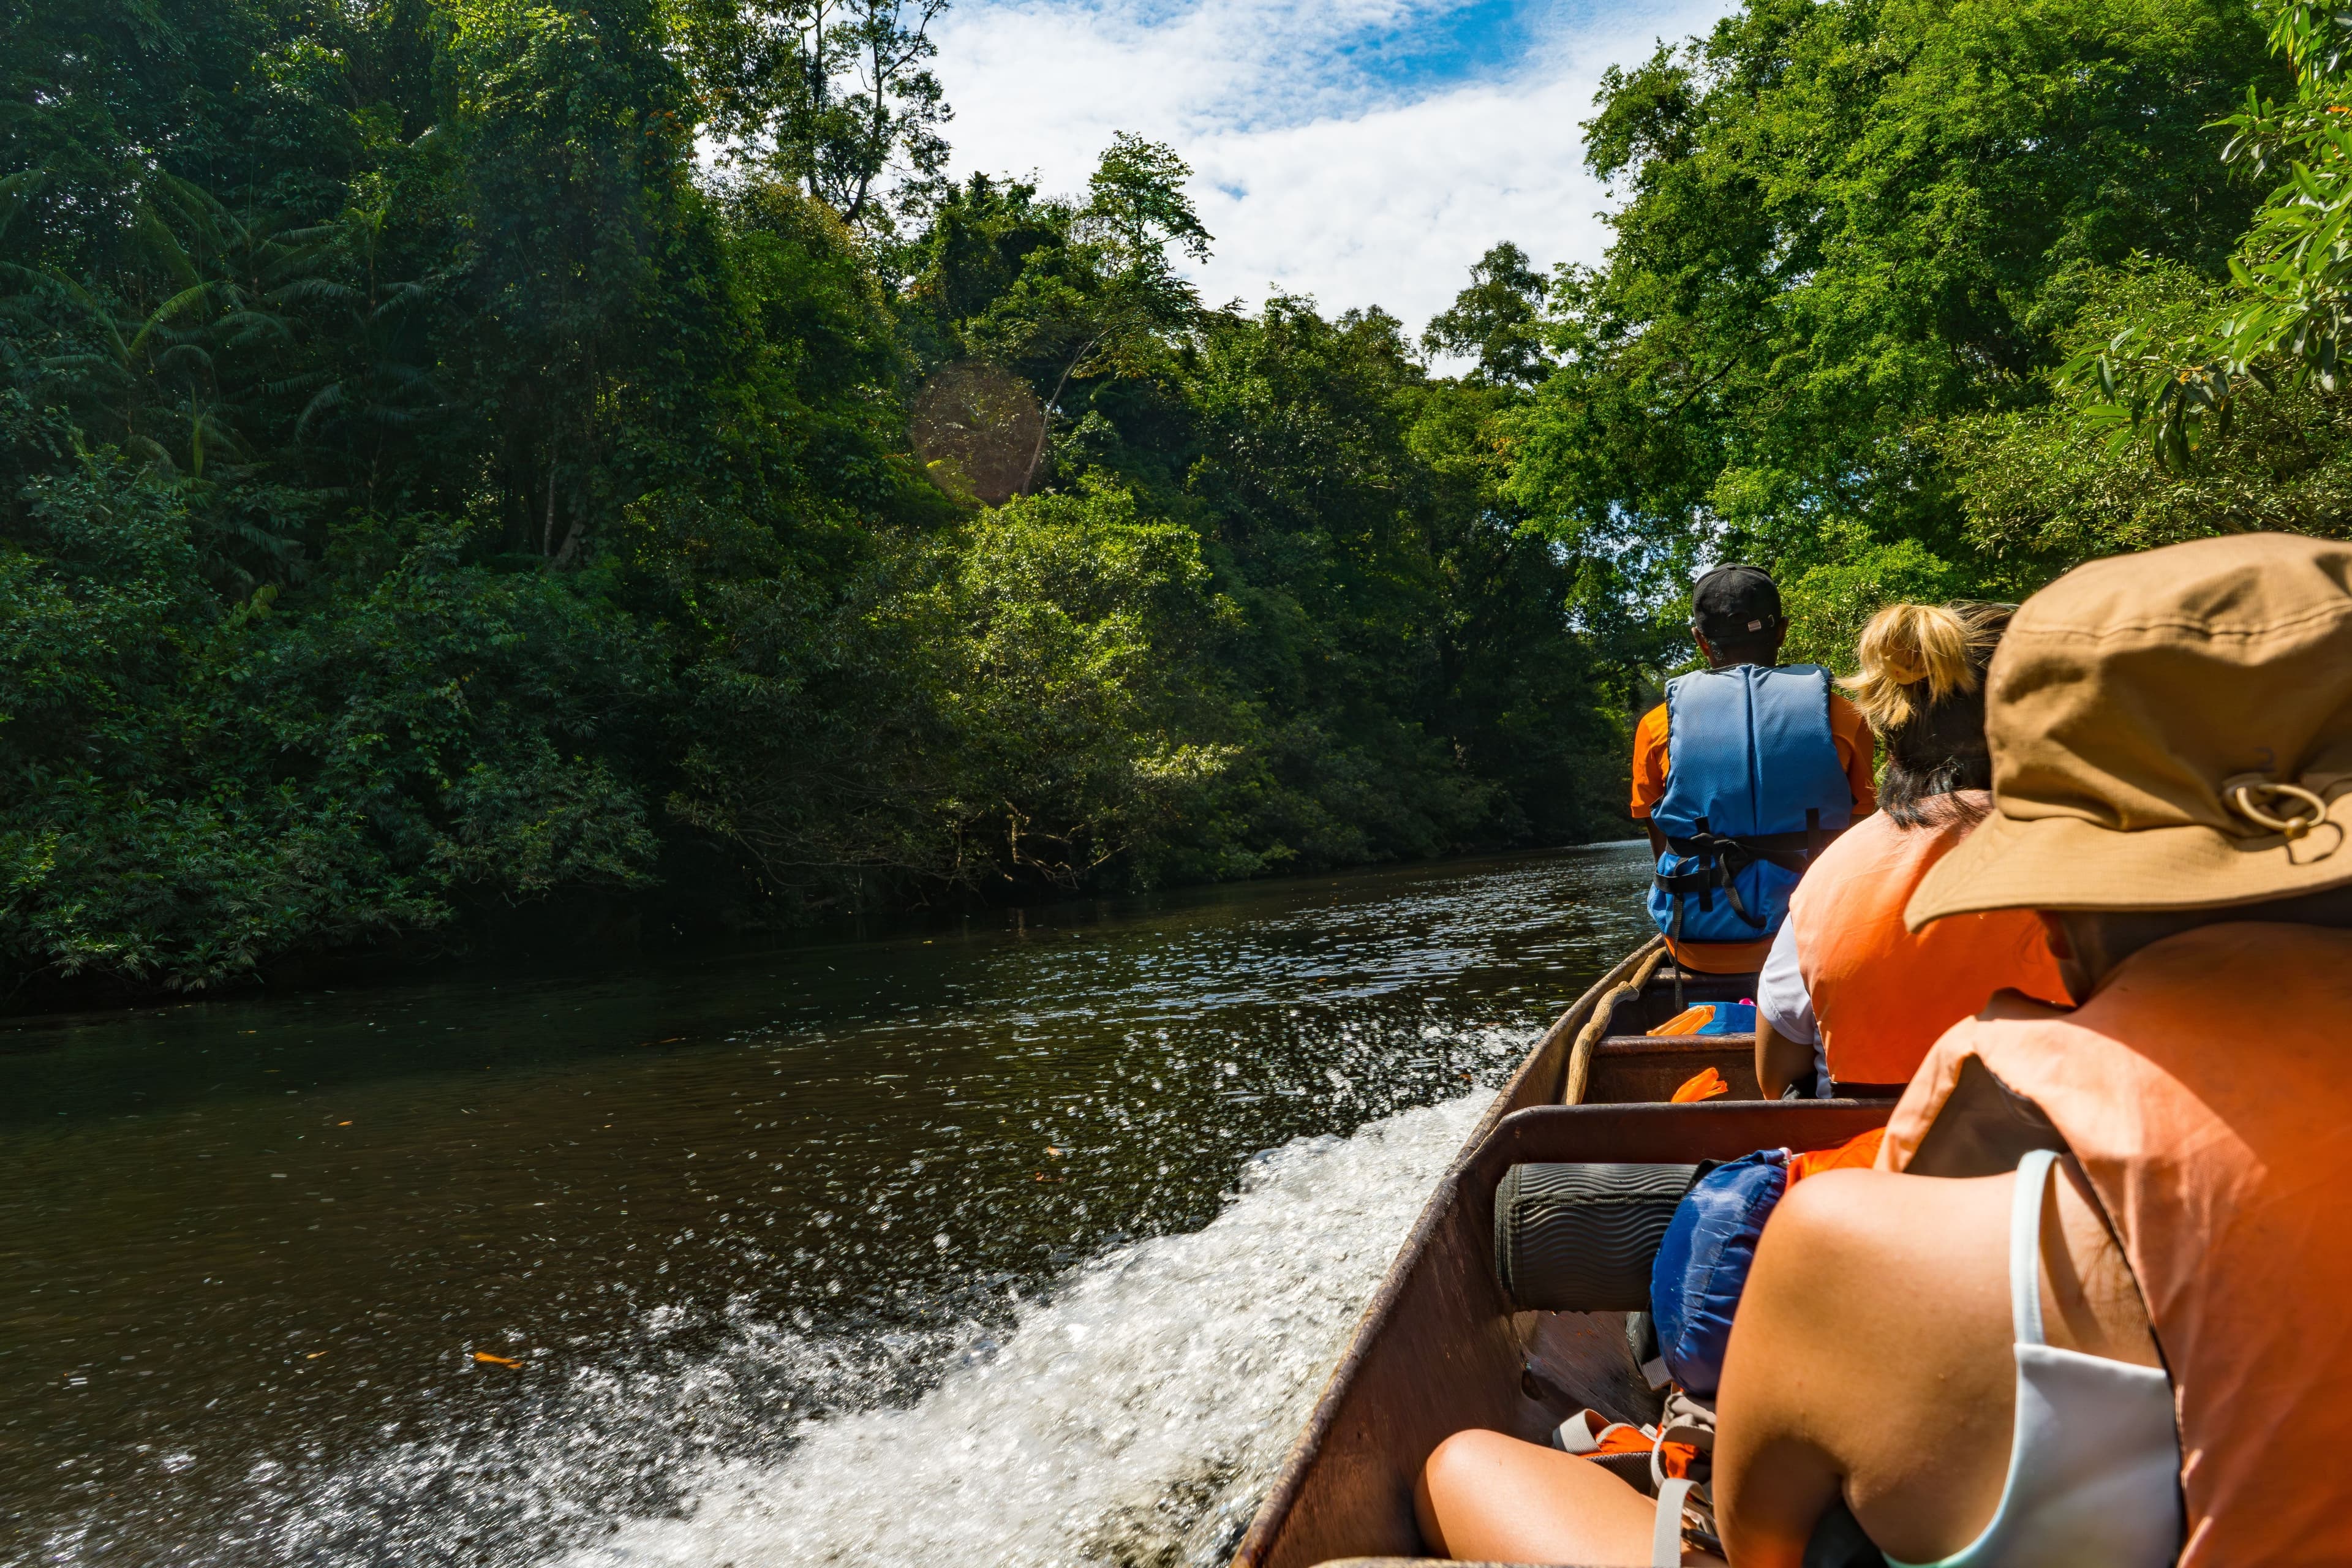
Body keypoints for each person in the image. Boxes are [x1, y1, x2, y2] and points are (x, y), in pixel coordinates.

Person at [1420, 532, 2352, 1567]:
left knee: (1465, 1464)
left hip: (1702, 943)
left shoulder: (1850, 1251)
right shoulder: (1828, 719)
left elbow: (1693, 896)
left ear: (2055, 907)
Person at [1752, 602, 2069, 1099]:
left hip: (1871, 1158)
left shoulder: (1826, 875)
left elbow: (1775, 1079)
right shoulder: (2085, 857)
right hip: (2049, 1157)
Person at [1634, 565, 1877, 977]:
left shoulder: (1659, 726)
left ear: (1700, 641)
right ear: (1781, 631)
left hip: (1698, 947)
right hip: (1814, 942)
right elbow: (1860, 829)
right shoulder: (1846, 717)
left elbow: (1662, 834)